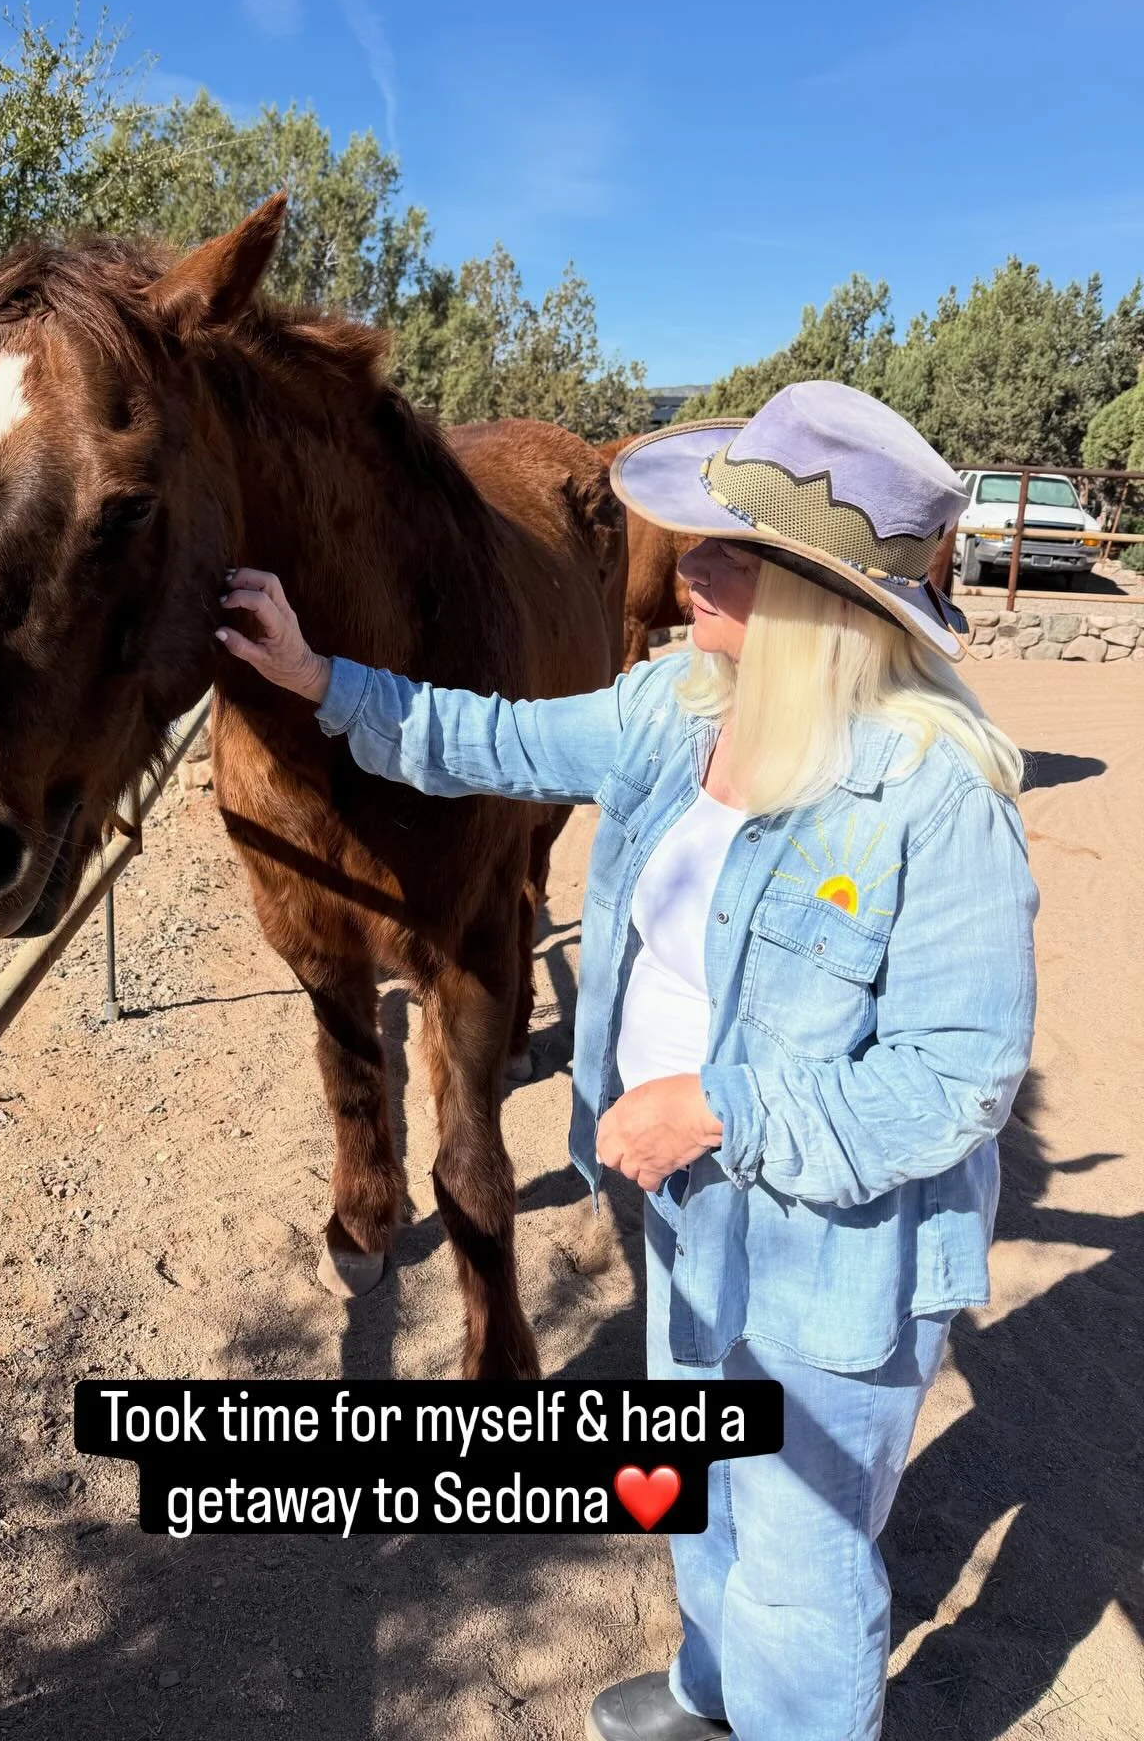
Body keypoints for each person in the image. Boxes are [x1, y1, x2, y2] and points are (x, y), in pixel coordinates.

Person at [214, 380, 1037, 1741]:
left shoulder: (935, 798)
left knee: (803, 1556)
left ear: (827, 603)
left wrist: (720, 1107)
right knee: (699, 1470)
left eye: (734, 549)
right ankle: (717, 1691)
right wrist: (315, 678)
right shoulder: (681, 708)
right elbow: (486, 735)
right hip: (689, 1200)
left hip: (832, 1245)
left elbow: (954, 1084)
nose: (686, 564)